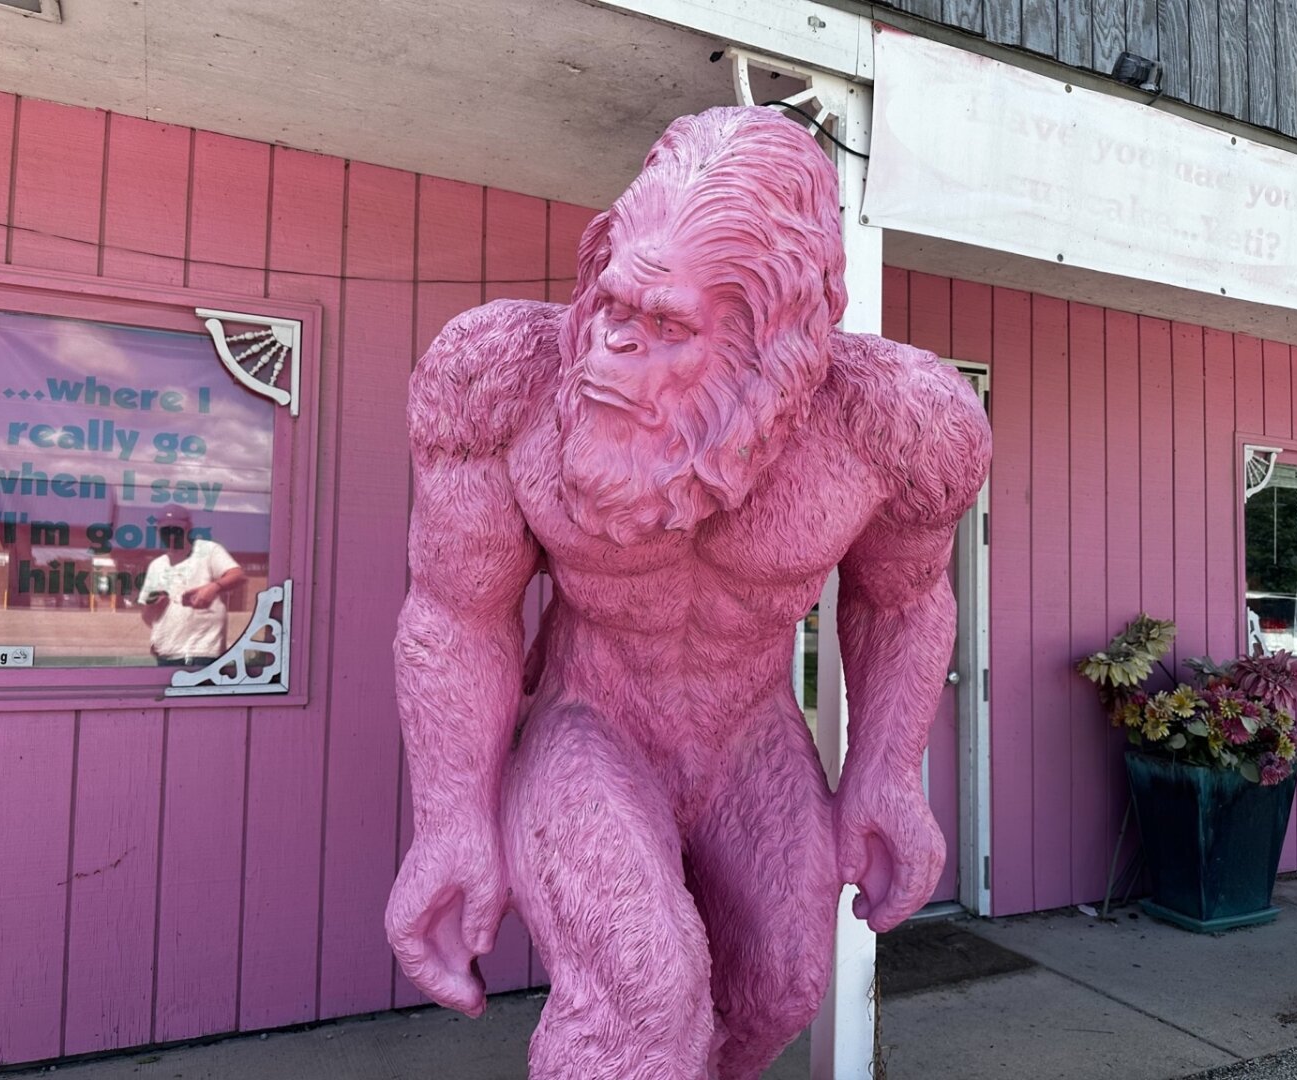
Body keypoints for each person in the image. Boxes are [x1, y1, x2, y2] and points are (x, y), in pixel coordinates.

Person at [389, 106, 992, 1080]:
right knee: (644, 1000)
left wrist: (886, 770)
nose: (608, 351)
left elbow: (904, 600)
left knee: (782, 982)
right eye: (615, 305)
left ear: (775, 342)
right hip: (592, 726)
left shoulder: (897, 425)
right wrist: (451, 817)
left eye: (663, 324)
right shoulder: (502, 381)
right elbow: (458, 610)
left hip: (750, 735)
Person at [137, 505, 245, 667]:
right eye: (166, 531)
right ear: (158, 531)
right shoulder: (157, 565)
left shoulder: (208, 550)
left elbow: (238, 575)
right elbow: (147, 618)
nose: (172, 536)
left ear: (188, 528)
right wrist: (154, 605)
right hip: (166, 652)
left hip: (202, 651)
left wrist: (213, 587)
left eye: (177, 530)